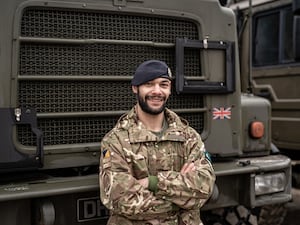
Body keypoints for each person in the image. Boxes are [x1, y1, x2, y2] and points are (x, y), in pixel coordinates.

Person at [99, 60, 215, 225]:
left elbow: (204, 188)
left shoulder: (188, 136)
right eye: (148, 84)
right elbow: (121, 201)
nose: (157, 91)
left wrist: (152, 183)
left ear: (169, 90)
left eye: (163, 85)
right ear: (135, 88)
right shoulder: (115, 141)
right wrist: (182, 198)